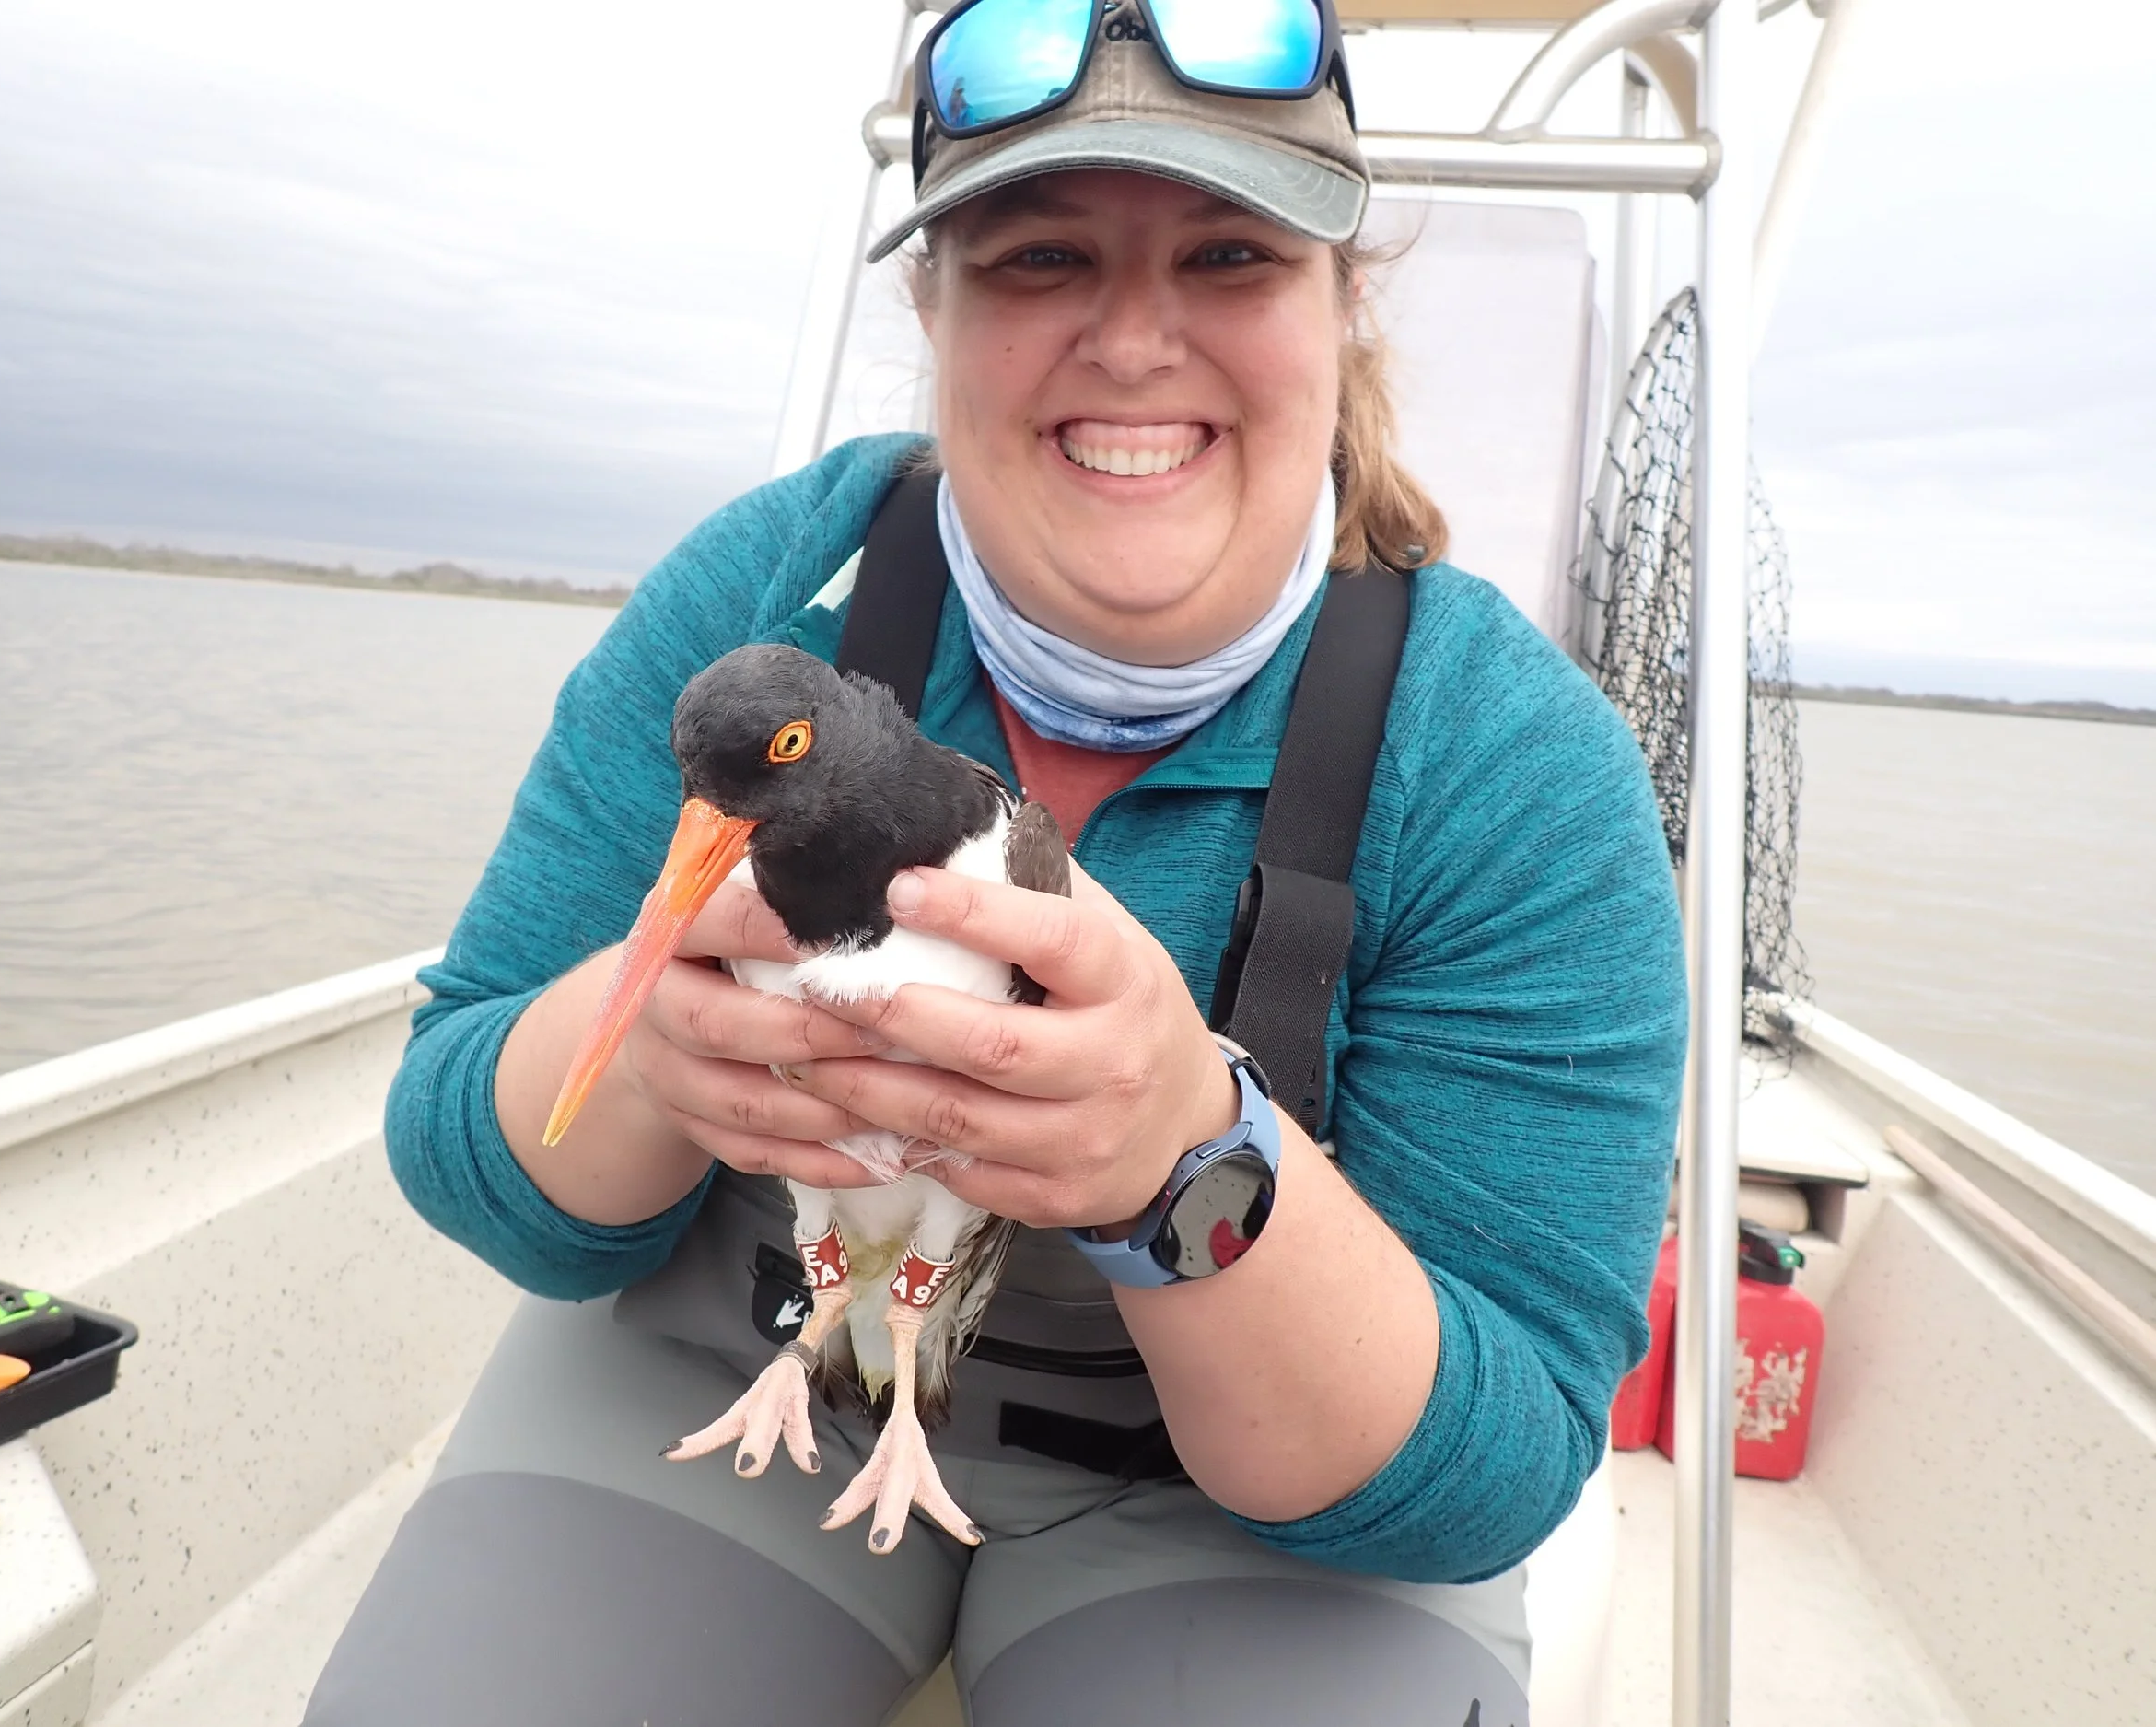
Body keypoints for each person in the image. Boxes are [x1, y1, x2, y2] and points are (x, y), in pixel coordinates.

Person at [305, 2, 1684, 1722]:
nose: (1130, 340)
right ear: (934, 309)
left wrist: (1188, 1158)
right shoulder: (759, 600)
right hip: (752, 1362)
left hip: (1231, 1512)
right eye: (1041, 255)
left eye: (1230, 255)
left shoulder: (1513, 769)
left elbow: (1501, 1465)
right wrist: (653, 1037)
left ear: (1342, 312)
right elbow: (463, 1138)